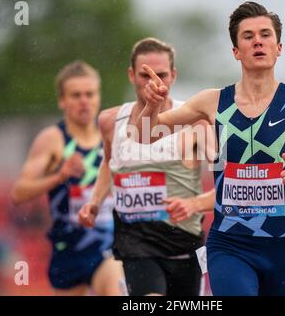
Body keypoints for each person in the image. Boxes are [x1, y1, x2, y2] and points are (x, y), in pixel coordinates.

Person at [132, 2, 285, 296]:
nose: (258, 41)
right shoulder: (211, 101)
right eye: (248, 36)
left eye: (265, 35)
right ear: (236, 51)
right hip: (229, 245)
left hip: (281, 248)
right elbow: (145, 135)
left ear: (279, 47)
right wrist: (151, 106)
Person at [78, 38, 216, 296]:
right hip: (135, 241)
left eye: (161, 74)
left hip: (183, 242)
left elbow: (225, 178)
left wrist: (196, 203)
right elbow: (109, 163)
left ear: (173, 75)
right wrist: (95, 202)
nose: (153, 82)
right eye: (145, 75)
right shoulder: (110, 120)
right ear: (131, 75)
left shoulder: (196, 122)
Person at [11, 61, 124, 296]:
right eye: (76, 95)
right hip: (68, 251)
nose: (84, 101)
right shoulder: (53, 139)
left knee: (116, 284)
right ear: (63, 101)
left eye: (90, 94)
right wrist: (60, 175)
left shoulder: (113, 136)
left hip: (108, 247)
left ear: (98, 97)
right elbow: (19, 193)